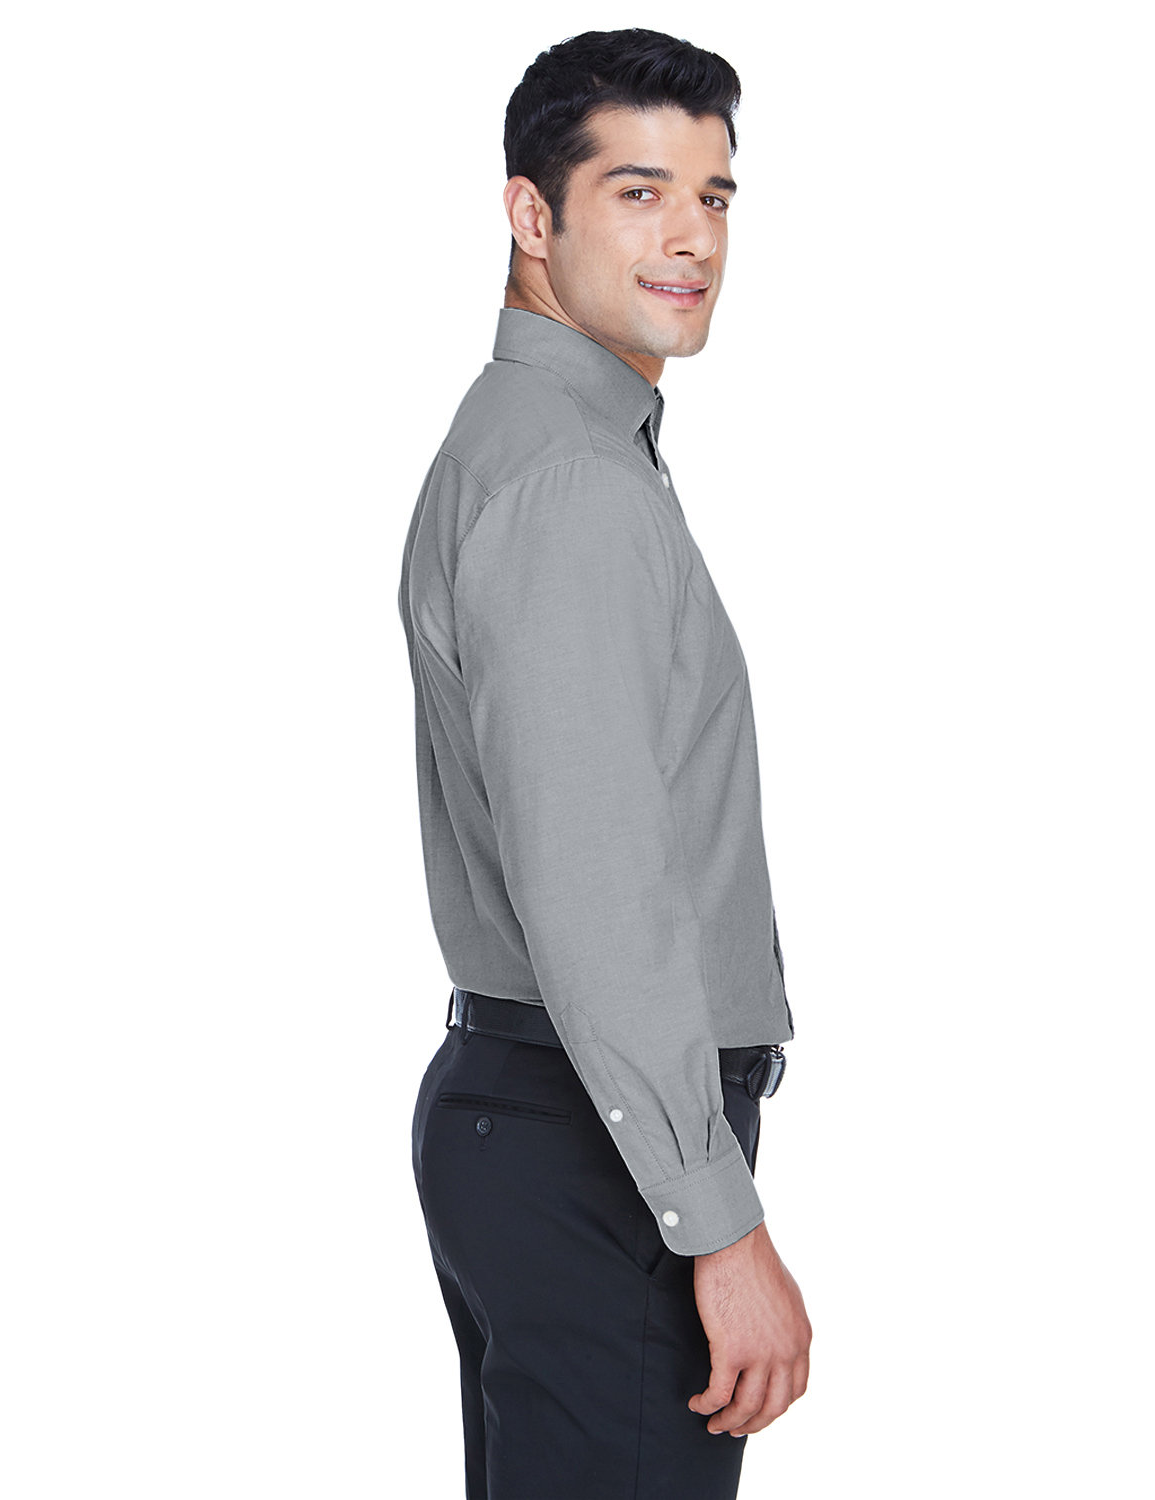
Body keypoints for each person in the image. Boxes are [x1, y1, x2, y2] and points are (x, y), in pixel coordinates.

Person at [399, 28, 812, 1499]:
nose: (691, 237)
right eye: (639, 192)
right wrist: (719, 1220)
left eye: (715, 196)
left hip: (559, 1126)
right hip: (601, 1150)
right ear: (532, 214)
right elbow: (597, 888)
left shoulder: (553, 442)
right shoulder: (570, 478)